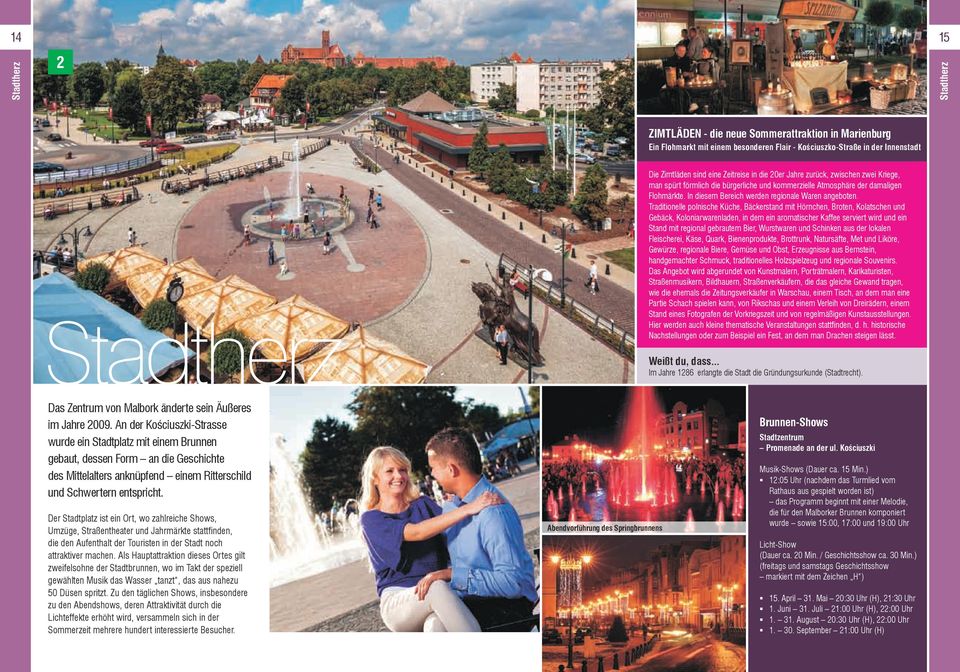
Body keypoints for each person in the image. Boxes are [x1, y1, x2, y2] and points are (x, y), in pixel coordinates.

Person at [359, 446, 502, 632]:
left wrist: (479, 506)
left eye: (402, 470)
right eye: (389, 471)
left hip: (437, 594)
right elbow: (417, 532)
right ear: (375, 478)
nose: (399, 476)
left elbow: (454, 530)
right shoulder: (371, 519)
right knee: (436, 588)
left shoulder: (423, 504)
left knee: (435, 625)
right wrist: (469, 508)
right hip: (399, 601)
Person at [425, 428, 537, 630]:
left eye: (433, 467)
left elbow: (511, 583)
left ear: (451, 469)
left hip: (505, 609)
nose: (431, 474)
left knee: (437, 627)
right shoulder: (451, 507)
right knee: (431, 622)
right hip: (470, 602)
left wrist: (451, 575)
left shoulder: (493, 512)